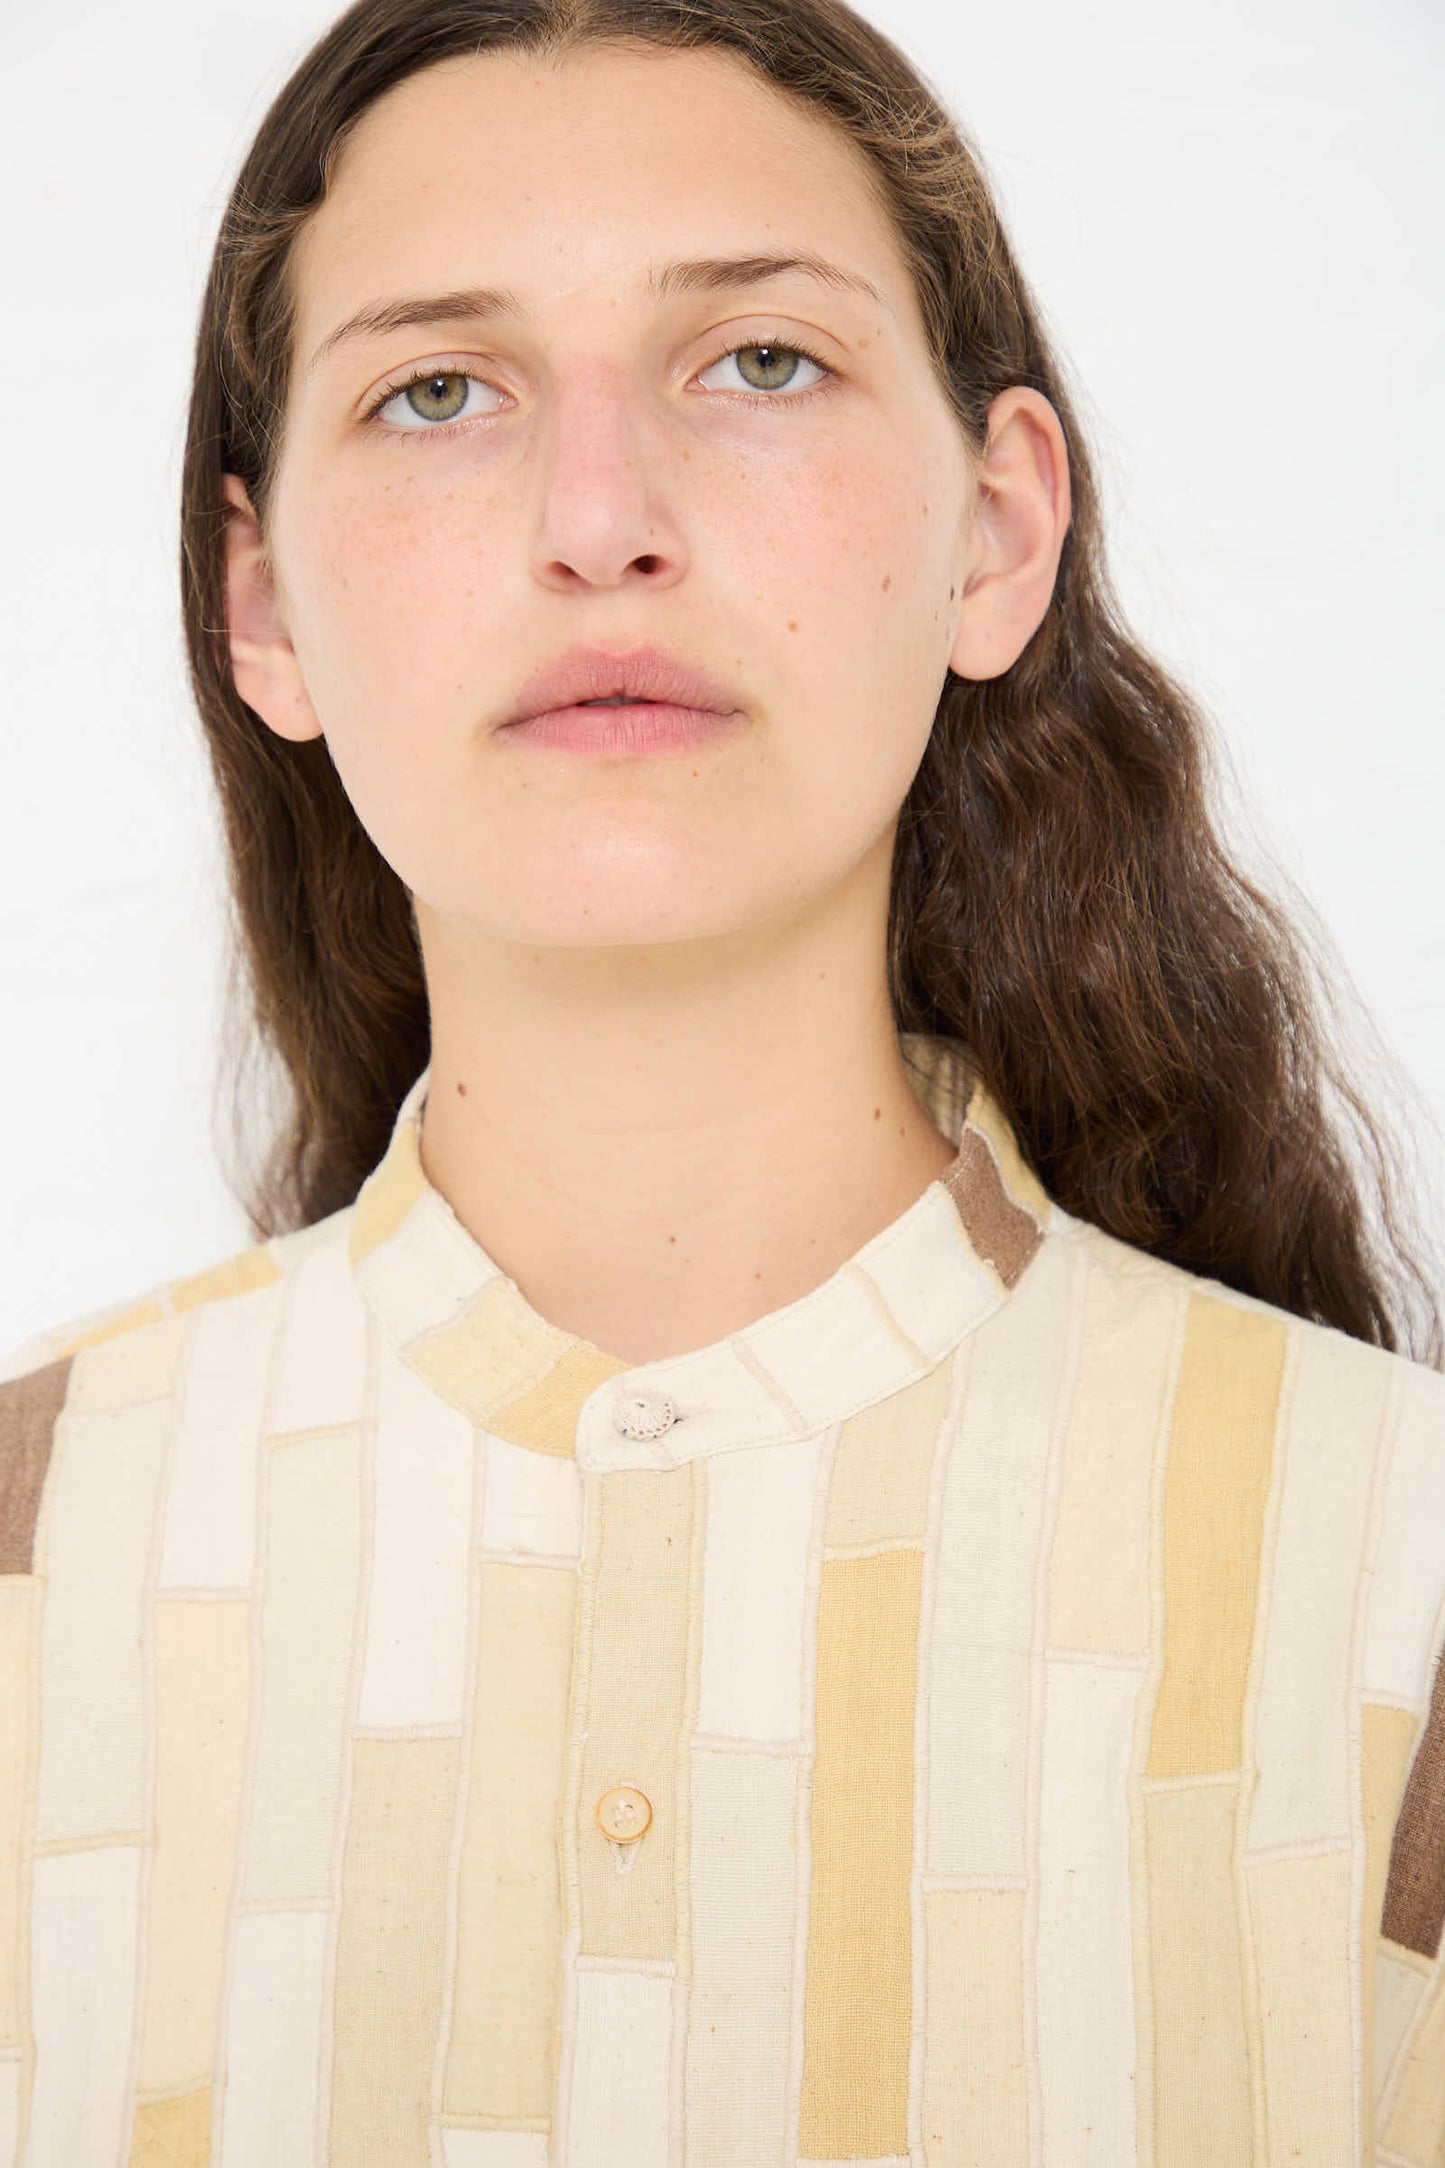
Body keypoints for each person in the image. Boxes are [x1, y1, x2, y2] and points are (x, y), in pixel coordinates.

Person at [2, 0, 1443, 2158]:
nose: (603, 521)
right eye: (439, 390)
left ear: (997, 527)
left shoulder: (1412, 1582)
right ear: (261, 597)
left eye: (759, 360)